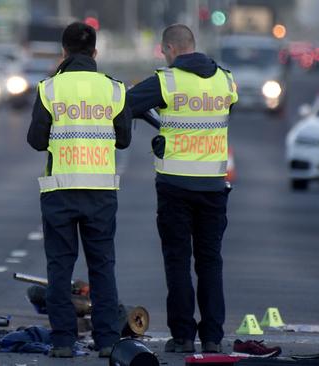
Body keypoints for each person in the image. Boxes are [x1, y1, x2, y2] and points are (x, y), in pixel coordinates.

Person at [126, 24, 238, 353]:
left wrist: (157, 124)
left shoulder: (167, 80)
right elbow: (224, 112)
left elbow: (128, 104)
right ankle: (214, 338)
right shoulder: (226, 80)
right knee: (210, 262)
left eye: (164, 52)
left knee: (177, 261)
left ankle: (183, 336)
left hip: (175, 185)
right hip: (214, 187)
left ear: (171, 49)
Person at [27, 22, 132, 358]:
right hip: (100, 192)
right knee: (102, 266)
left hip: (59, 192)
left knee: (60, 267)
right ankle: (107, 341)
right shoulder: (114, 90)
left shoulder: (50, 89)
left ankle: (62, 342)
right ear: (95, 53)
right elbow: (125, 139)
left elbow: (36, 140)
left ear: (64, 52)